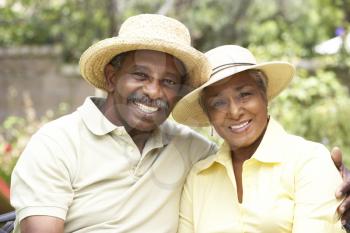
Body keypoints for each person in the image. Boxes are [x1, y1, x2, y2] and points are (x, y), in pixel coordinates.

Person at [8, 14, 350, 233]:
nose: (153, 92)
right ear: (112, 77)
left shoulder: (191, 151)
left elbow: (261, 155)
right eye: (140, 75)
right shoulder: (57, 142)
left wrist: (332, 178)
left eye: (169, 82)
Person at [173, 45, 347, 232]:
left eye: (245, 94)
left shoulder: (308, 160)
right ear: (209, 115)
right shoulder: (198, 177)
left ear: (264, 96)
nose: (234, 111)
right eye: (219, 103)